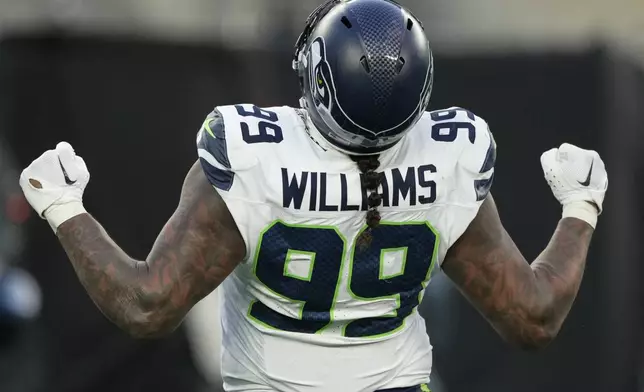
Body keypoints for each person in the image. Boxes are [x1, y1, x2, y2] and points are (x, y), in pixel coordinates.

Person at [18, 0, 608, 391]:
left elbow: (146, 305)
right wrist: (581, 207)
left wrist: (63, 206)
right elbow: (534, 317)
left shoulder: (252, 155)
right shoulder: (448, 154)